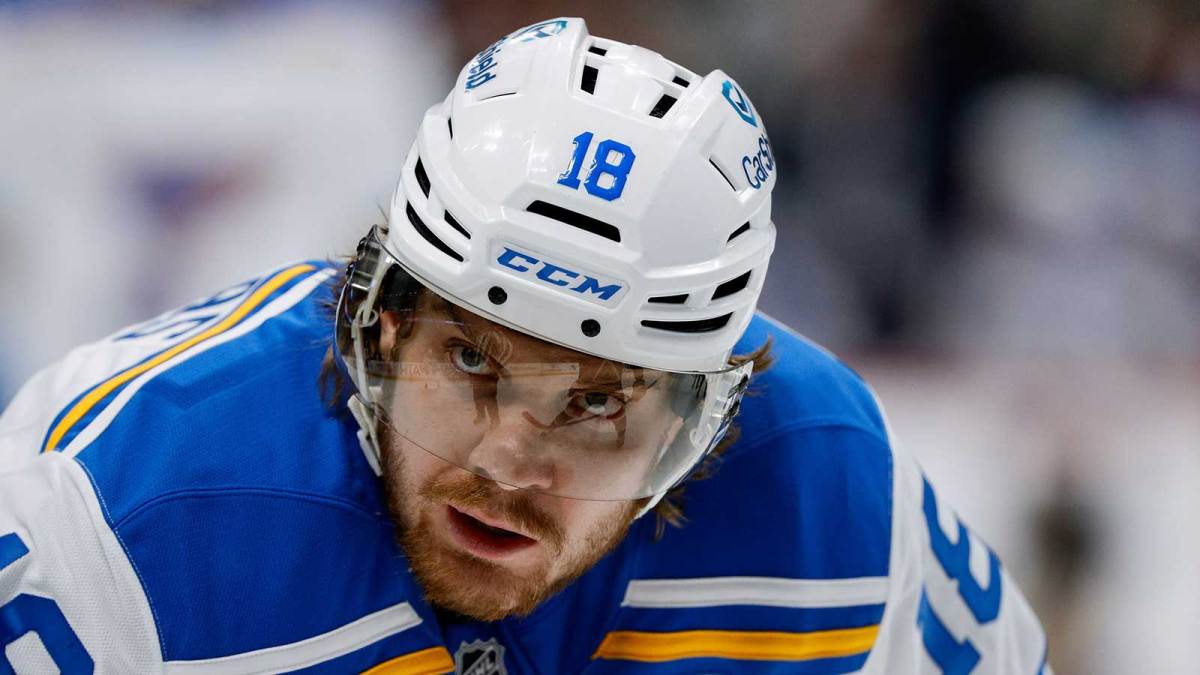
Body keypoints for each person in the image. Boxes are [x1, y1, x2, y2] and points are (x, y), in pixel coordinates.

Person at [0, 18, 1049, 674]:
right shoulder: (120, 510)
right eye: (471, 365)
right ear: (379, 325)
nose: (508, 463)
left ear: (701, 423)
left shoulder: (832, 486)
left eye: (597, 404)